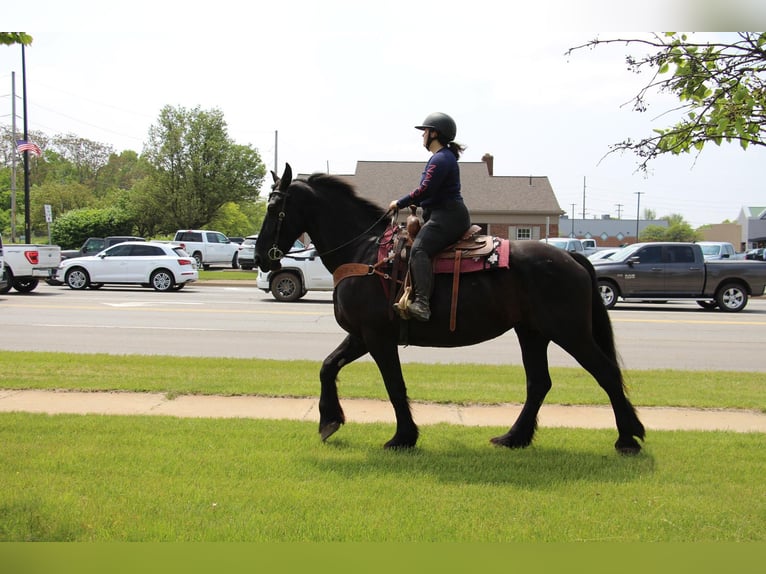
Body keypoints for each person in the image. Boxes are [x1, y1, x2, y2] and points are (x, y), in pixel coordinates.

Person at [388, 112, 470, 321]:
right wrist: (421, 203)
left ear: (434, 133)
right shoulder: (442, 158)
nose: (422, 135)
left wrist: (400, 202)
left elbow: (425, 188)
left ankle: (422, 304)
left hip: (448, 217)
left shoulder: (441, 158)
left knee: (419, 249)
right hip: (443, 214)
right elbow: (432, 191)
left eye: (424, 131)